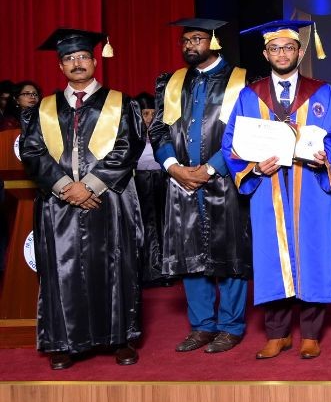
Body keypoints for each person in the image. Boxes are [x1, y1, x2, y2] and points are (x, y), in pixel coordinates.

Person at [20, 29, 144, 369]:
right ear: (60, 66)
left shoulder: (121, 103)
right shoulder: (44, 108)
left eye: (83, 57)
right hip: (58, 202)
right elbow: (32, 152)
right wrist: (66, 187)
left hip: (108, 199)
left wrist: (90, 185)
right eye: (69, 58)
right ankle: (63, 341)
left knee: (114, 264)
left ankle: (120, 337)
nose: (77, 63)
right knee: (62, 268)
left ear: (94, 62)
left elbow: (128, 147)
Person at [223, 20, 331, 360]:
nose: (282, 54)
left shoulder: (321, 92)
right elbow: (231, 143)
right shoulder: (250, 95)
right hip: (268, 186)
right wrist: (253, 168)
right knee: (272, 256)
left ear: (299, 52)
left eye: (288, 47)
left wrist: (326, 159)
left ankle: (310, 334)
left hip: (310, 186)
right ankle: (277, 334)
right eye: (274, 48)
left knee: (312, 253)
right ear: (265, 54)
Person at [148, 18, 252, 354]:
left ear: (214, 41)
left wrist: (210, 169)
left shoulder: (241, 80)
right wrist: (173, 166)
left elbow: (247, 131)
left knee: (231, 253)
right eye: (185, 40)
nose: (190, 45)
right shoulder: (172, 82)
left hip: (225, 180)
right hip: (181, 182)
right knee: (189, 254)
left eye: (197, 39)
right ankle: (202, 325)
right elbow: (159, 130)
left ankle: (231, 326)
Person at [133, 92, 170, 286]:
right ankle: (145, 271)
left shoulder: (162, 134)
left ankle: (163, 270)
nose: (149, 118)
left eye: (153, 114)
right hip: (138, 182)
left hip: (161, 180)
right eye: (145, 113)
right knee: (144, 225)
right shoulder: (130, 134)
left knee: (163, 223)